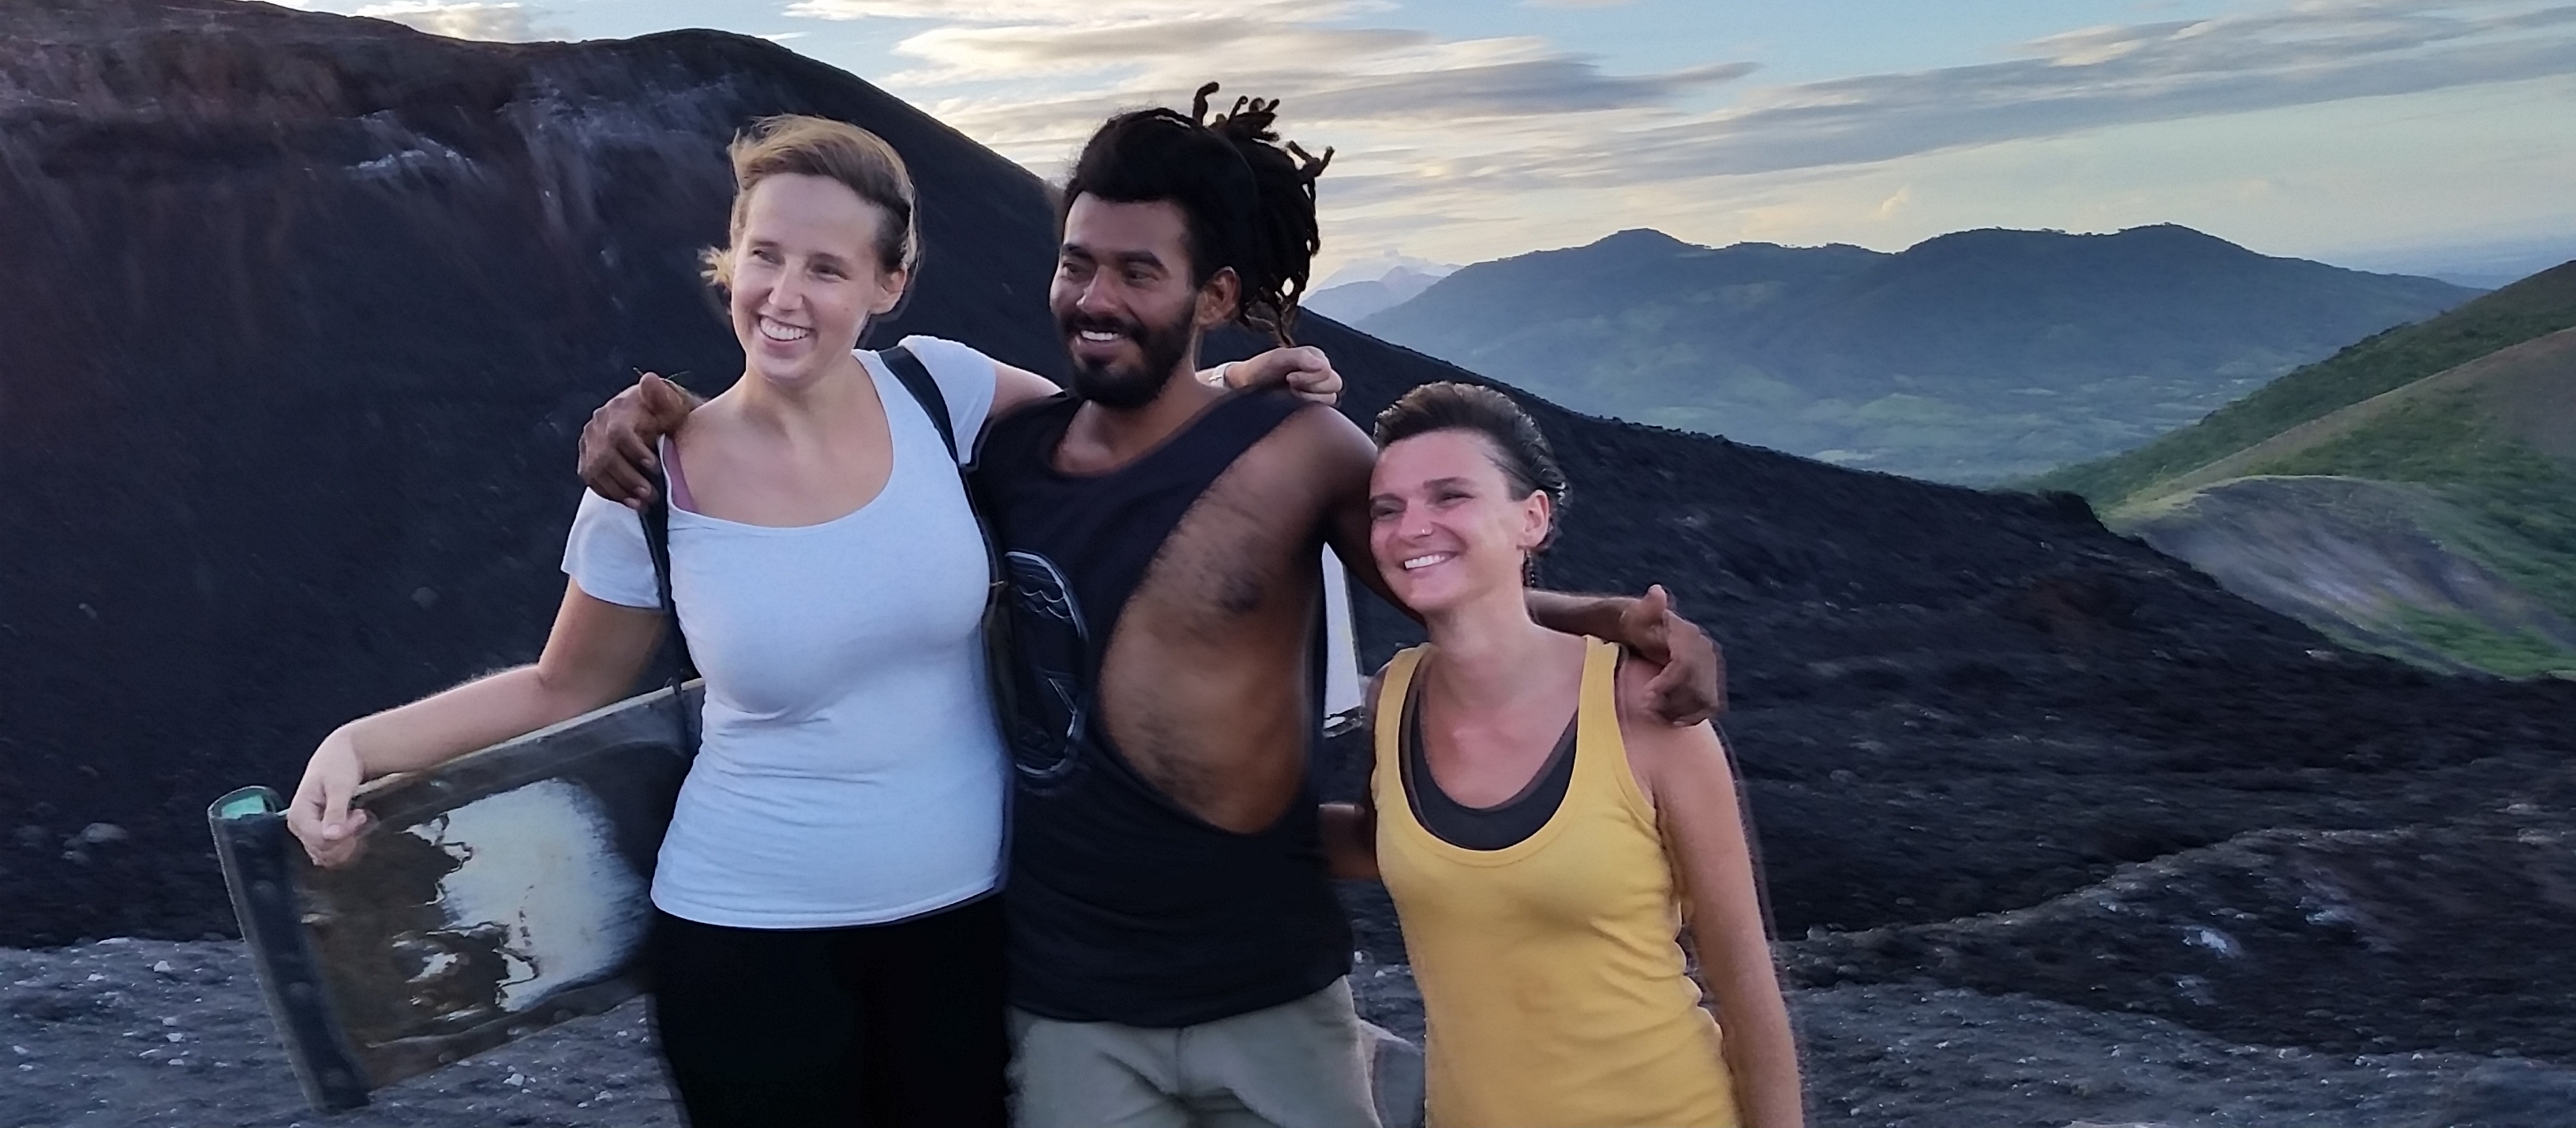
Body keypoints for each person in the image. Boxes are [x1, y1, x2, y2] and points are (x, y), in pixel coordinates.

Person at [582, 86, 1725, 1128]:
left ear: (1214, 294)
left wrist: (1613, 624)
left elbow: (1449, 594)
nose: (1095, 298)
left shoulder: (1298, 451)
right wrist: (654, 415)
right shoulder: (1007, 451)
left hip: (1269, 993)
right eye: (1077, 265)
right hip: (1065, 1007)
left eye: (1138, 272)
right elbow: (836, 456)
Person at [284, 115, 1336, 1128]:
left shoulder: (940, 391)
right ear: (730, 262)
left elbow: (1104, 435)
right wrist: (358, 744)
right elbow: (566, 684)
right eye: (765, 256)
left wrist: (1230, 381)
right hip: (749, 943)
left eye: (828, 269)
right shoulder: (652, 479)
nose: (786, 296)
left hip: (966, 933)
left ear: (888, 284)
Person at [1323, 382, 1802, 1128]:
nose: (1412, 527)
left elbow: (1746, 986)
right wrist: (1175, 820)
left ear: (1533, 518)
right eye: (1388, 509)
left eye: (1450, 496)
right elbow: (1377, 842)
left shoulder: (1643, 710)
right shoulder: (1396, 699)